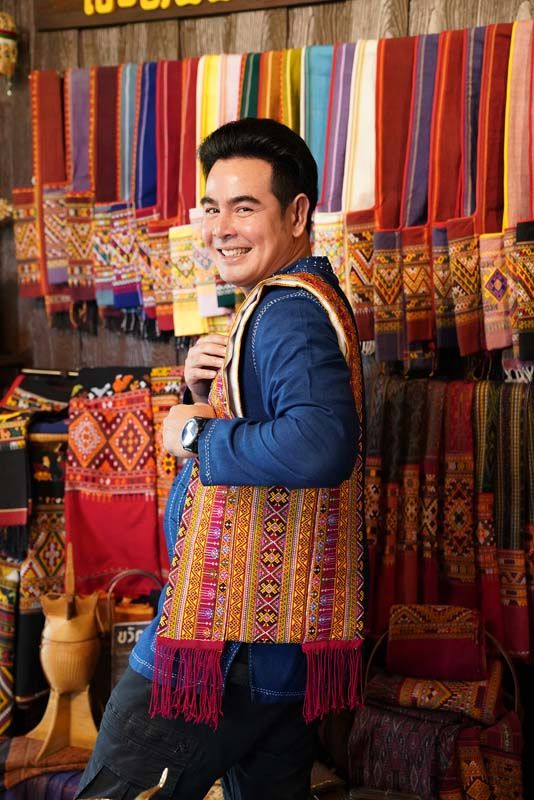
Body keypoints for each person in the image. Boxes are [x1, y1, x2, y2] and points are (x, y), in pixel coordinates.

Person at [75, 117, 365, 800]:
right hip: (275, 636)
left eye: (244, 207)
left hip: (227, 640)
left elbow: (321, 442)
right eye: (211, 208)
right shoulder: (287, 300)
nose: (220, 228)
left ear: (297, 214)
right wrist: (204, 393)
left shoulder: (287, 311)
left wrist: (194, 436)